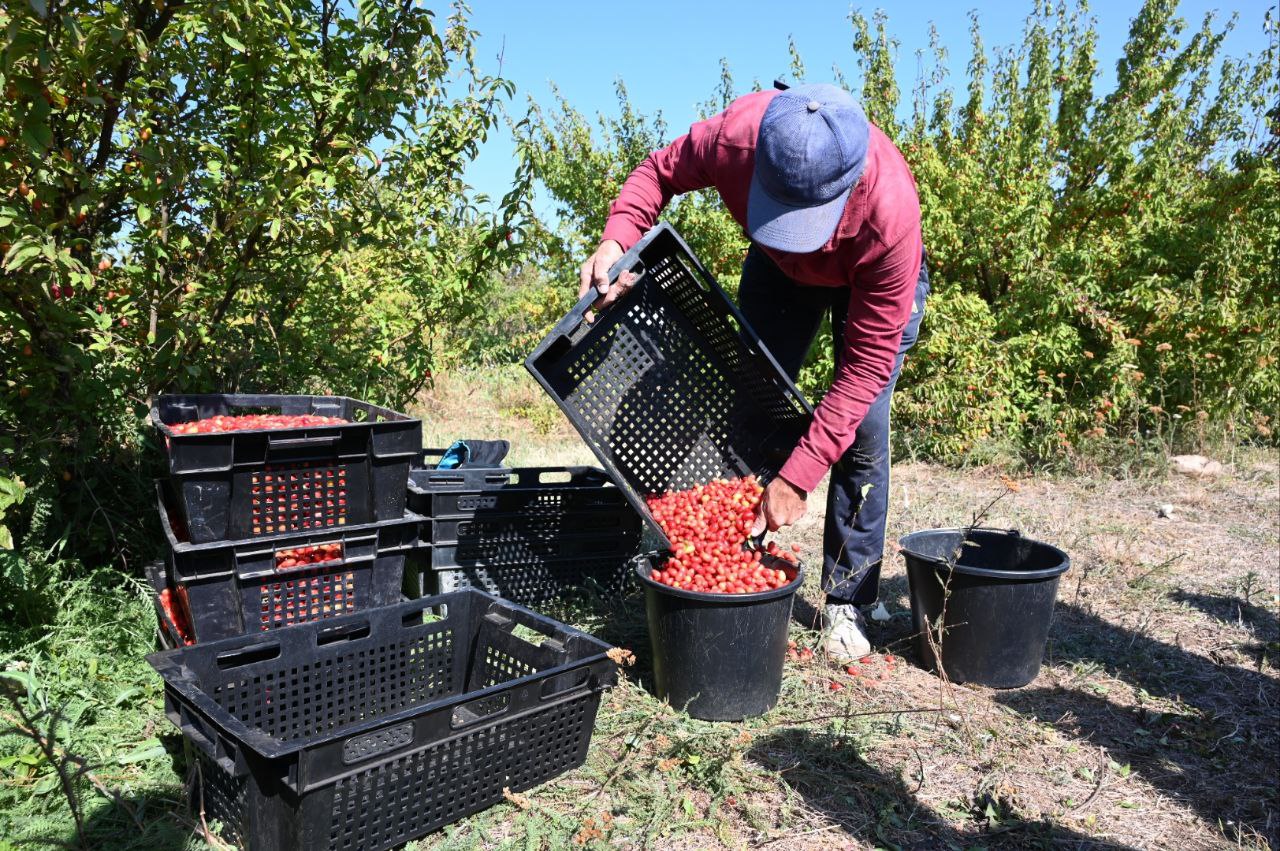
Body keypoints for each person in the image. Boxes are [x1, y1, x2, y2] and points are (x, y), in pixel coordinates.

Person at [579, 82, 929, 662]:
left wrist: (800, 475)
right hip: (778, 271)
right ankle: (730, 543)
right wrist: (616, 238)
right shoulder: (734, 137)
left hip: (866, 277)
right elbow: (655, 174)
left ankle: (848, 599)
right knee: (752, 399)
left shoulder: (890, 215)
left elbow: (865, 366)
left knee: (862, 431)